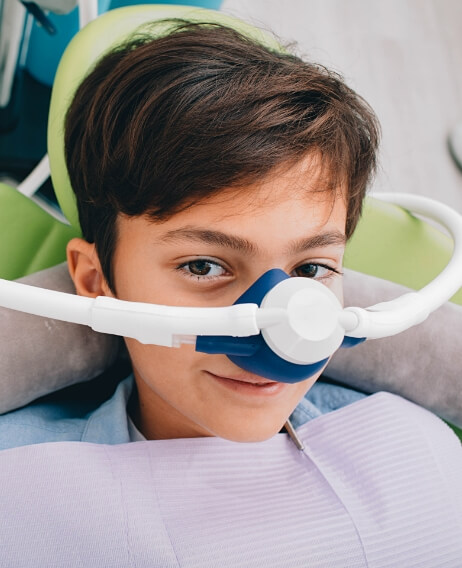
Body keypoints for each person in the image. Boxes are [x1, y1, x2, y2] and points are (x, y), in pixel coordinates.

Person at [0, 19, 461, 567]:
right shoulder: (20, 482)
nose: (278, 325)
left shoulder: (417, 451)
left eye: (311, 269)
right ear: (97, 282)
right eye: (203, 265)